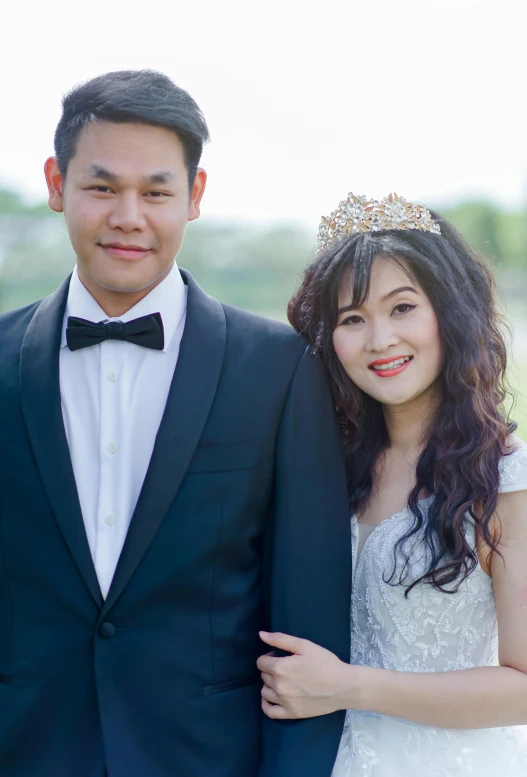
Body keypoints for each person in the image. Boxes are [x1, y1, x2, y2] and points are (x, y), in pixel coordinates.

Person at [0, 70, 351, 777]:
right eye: (102, 187)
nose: (129, 215)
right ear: (56, 184)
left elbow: (307, 626)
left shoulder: (279, 369)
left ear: (193, 197)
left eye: (156, 191)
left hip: (208, 759)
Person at [258, 192, 527, 775]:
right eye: (353, 319)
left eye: (402, 308)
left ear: (450, 312)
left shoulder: (504, 481)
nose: (379, 340)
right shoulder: (326, 466)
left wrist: (348, 687)